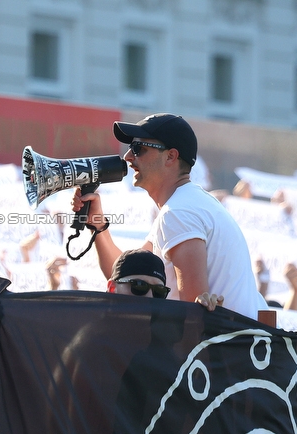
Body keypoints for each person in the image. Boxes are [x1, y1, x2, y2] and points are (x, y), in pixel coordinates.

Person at [73, 113, 264, 316]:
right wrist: (98, 224)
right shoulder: (185, 205)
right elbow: (124, 276)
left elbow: (195, 317)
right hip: (238, 342)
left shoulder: (179, 213)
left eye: (138, 149)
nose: (128, 157)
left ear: (170, 156)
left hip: (227, 345)